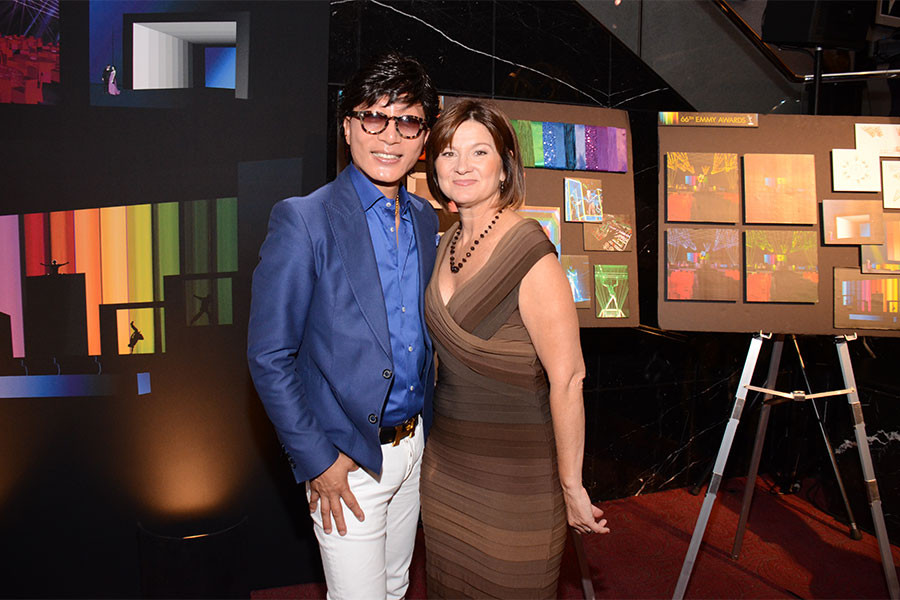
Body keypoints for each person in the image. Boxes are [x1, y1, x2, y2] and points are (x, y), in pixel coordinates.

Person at [247, 52, 439, 600]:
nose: (389, 136)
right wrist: (319, 461)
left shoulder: (427, 219)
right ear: (348, 126)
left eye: (406, 121)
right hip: (347, 462)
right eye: (373, 117)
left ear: (422, 136)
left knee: (398, 586)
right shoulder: (303, 220)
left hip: (414, 450)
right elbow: (269, 355)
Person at [420, 99, 609, 599]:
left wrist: (572, 486)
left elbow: (568, 377)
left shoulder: (529, 250)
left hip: (517, 481)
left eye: (478, 151)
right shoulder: (445, 242)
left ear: (504, 165)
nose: (461, 166)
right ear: (433, 166)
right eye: (448, 153)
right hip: (446, 473)